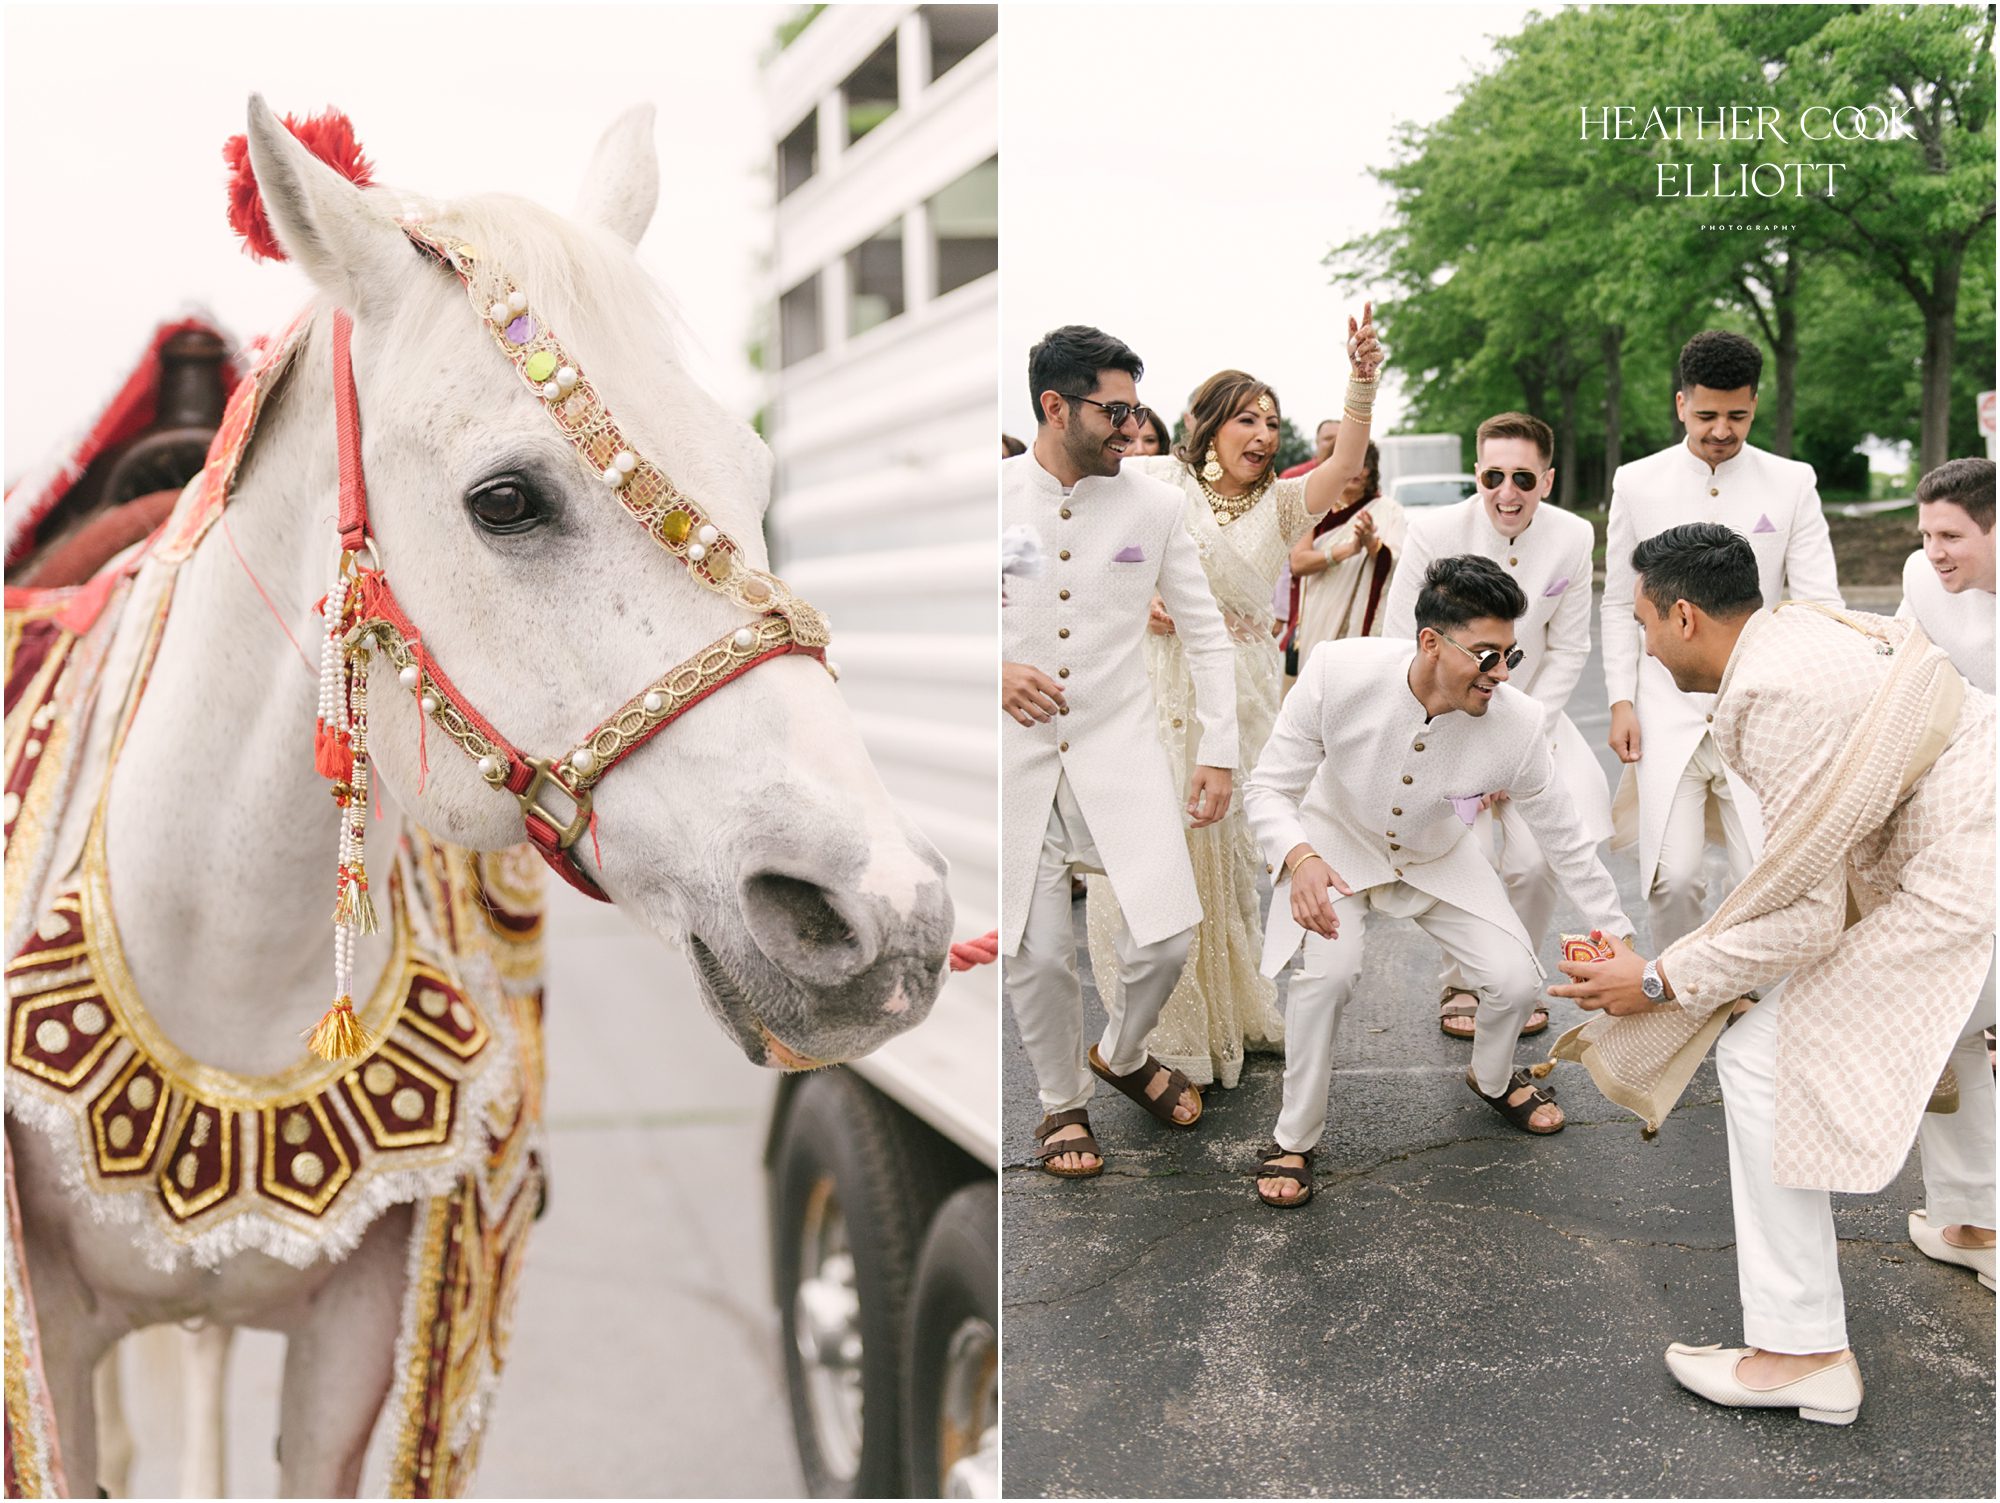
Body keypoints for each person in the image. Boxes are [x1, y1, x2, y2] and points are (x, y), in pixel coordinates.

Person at [1553, 524, 1993, 1425]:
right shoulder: (1809, 625)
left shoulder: (1767, 693)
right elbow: (1799, 875)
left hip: (1966, 880)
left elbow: (1804, 915)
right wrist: (1698, 965)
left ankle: (1802, 1352)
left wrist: (1658, 980)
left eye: (1644, 622)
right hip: (1976, 850)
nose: (1643, 646)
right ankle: (1979, 1222)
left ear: (1684, 615)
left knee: (1761, 1058)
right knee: (1949, 1019)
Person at [1248, 556, 1634, 1207]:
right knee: (1328, 977)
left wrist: (1617, 937)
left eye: (1510, 655)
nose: (1502, 673)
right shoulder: (1337, 671)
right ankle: (1294, 1137)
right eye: (1487, 656)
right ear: (1431, 641)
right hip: (1333, 845)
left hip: (1436, 853)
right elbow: (1268, 788)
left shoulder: (1519, 723)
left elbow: (1566, 841)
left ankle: (1492, 1078)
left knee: (1515, 980)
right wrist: (1299, 855)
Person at [1086, 310, 1385, 1090]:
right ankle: (1162, 1029)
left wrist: (1361, 380)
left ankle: (1226, 1012)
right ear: (1206, 425)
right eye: (1247, 418)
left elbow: (1346, 460)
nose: (1263, 433)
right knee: (1155, 845)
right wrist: (1137, 601)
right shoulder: (1157, 482)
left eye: (1272, 423)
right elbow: (1091, 549)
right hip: (1154, 681)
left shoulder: (1283, 504)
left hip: (1238, 691)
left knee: (1219, 851)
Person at [1002, 325, 1238, 1178]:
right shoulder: (990, 501)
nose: (1131, 427)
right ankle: (1061, 1103)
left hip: (1120, 750)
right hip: (1018, 761)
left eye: (1136, 409)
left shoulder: (1155, 506)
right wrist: (994, 669)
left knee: (1167, 935)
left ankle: (1125, 1051)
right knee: (1037, 954)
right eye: (1114, 410)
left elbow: (1205, 633)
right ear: (1054, 406)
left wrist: (1219, 749)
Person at [1601, 331, 1841, 953]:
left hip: (1762, 712)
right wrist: (1621, 701)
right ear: (1681, 403)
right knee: (1673, 877)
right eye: (1707, 414)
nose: (1721, 430)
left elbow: (1821, 603)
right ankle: (1677, 991)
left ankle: (1755, 994)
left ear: (1755, 403)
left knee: (1764, 870)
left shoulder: (1792, 482)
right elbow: (1618, 603)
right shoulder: (1636, 482)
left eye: (1737, 415)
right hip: (1664, 709)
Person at [1382, 413, 1605, 1042]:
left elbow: (1570, 648)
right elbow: (1401, 639)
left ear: (1547, 481)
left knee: (1534, 863)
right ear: (1477, 474)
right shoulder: (1432, 531)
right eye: (1493, 477)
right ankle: (1462, 980)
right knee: (1471, 852)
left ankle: (1517, 977)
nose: (1508, 493)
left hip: (1536, 722)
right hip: (1450, 720)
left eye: (1524, 478)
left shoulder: (1573, 535)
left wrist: (1521, 740)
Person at [1895, 457, 1996, 1290]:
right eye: (1926, 533)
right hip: (1961, 813)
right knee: (1954, 1009)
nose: (1934, 551)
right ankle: (1974, 1219)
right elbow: (1900, 680)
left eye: (1952, 535)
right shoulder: (1920, 581)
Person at [1283, 438, 1404, 680]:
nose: (1357, 471)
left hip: (1364, 621)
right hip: (1320, 615)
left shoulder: (1389, 511)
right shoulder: (1315, 508)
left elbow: (1399, 564)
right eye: (1350, 463)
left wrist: (1372, 544)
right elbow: (1298, 563)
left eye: (1363, 464)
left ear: (1372, 470)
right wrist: (1349, 549)